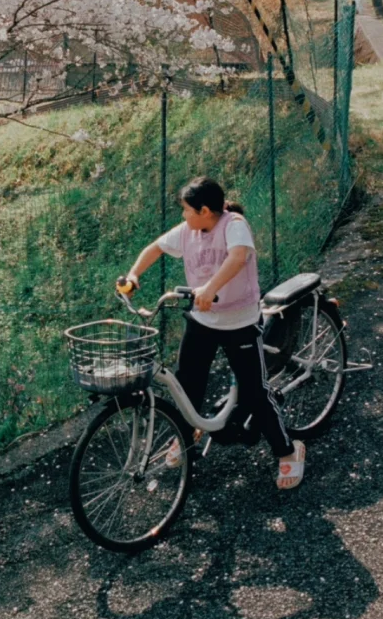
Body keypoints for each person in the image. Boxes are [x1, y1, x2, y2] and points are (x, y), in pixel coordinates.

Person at [121, 178, 305, 490]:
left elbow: (237, 257)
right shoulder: (188, 231)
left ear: (205, 210)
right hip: (202, 320)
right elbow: (155, 248)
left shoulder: (234, 224)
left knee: (254, 392)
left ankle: (288, 450)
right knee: (187, 384)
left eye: (186, 210)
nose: (183, 216)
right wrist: (133, 275)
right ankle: (187, 434)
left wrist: (210, 287)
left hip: (239, 322)